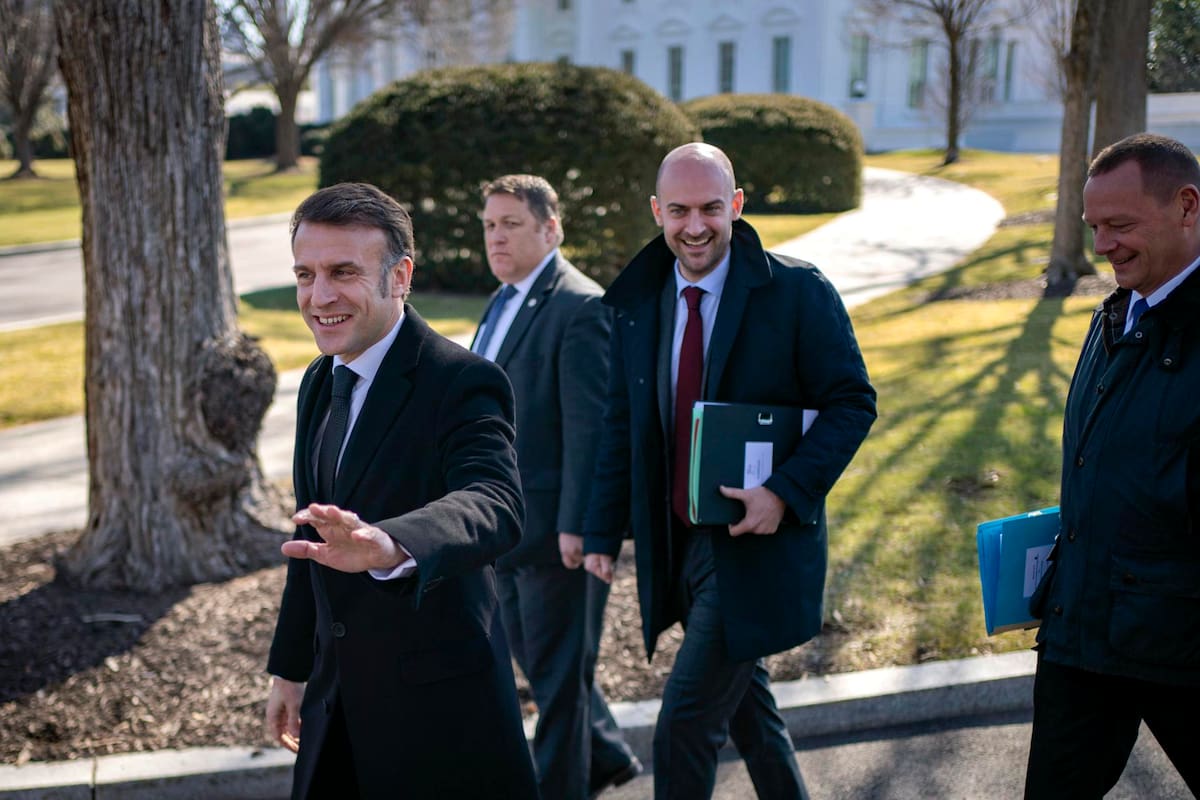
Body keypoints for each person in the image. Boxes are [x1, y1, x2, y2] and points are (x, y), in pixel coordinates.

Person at [582, 143, 877, 799]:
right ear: (657, 211)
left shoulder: (797, 291)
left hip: (753, 549)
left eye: (710, 209)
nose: (695, 226)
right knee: (749, 713)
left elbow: (852, 403)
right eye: (679, 211)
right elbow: (622, 421)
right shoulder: (639, 300)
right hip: (678, 543)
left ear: (736, 205)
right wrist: (601, 529)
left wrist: (784, 491)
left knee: (683, 726)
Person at [263, 182, 539, 799]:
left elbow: (494, 501)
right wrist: (290, 670)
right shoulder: (318, 380)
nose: (319, 296)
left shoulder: (462, 380)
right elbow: (309, 543)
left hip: (437, 718)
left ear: (400, 277)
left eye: (343, 272)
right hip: (334, 710)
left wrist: (391, 544)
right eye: (306, 275)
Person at [1024, 133, 1200, 798]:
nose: (1103, 245)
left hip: (1180, 647)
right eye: (1093, 227)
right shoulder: (1114, 313)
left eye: (1119, 225)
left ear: (1187, 206)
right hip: (1082, 634)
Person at [473, 174, 640, 800]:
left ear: (551, 229)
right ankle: (610, 756)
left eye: (511, 224)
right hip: (507, 529)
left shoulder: (580, 305)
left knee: (559, 685)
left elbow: (591, 430)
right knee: (549, 670)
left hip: (556, 536)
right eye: (490, 225)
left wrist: (581, 526)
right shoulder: (502, 300)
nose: (496, 237)